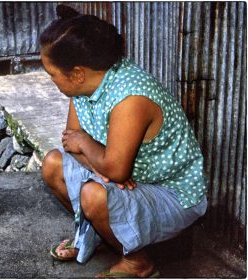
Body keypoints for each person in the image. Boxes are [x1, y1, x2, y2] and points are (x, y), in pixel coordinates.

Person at [40, 5, 207, 278]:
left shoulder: (130, 98)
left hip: (171, 194)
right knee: (53, 164)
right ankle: (100, 234)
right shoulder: (84, 86)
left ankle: (137, 261)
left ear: (77, 73)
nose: (52, 80)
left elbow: (113, 166)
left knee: (93, 196)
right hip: (122, 175)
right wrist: (101, 167)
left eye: (52, 74)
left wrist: (101, 161)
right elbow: (71, 144)